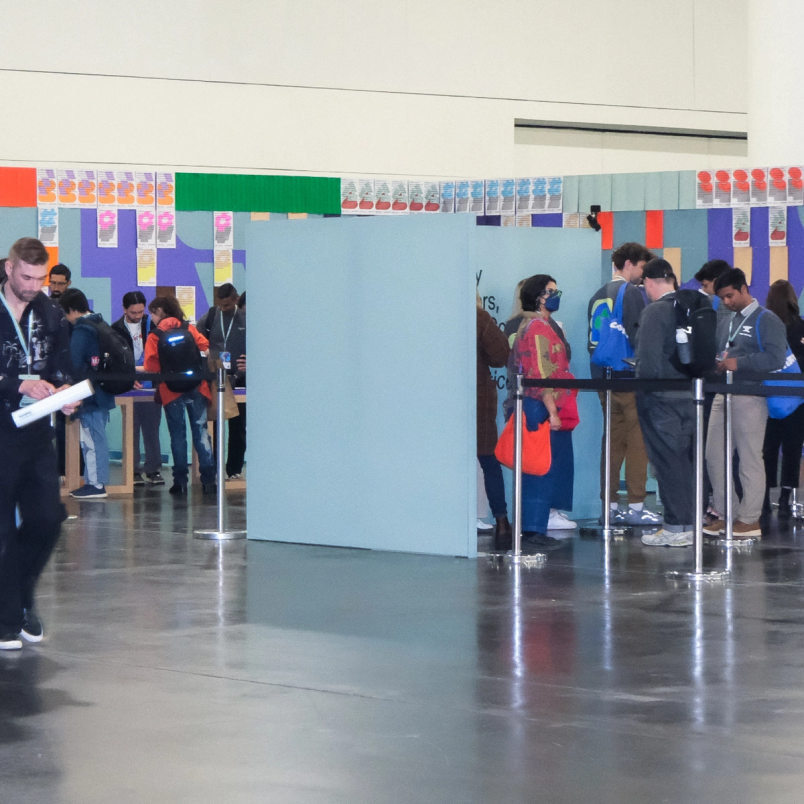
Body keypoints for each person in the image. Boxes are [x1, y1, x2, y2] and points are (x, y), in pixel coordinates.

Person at [0, 237, 79, 650]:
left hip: (35, 434)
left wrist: (67, 394)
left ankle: (19, 597)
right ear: (10, 268)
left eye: (40, 278)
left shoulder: (49, 311)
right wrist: (17, 384)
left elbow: (61, 366)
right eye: (26, 277)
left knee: (48, 519)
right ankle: (9, 615)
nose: (33, 286)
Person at [703, 268, 787, 539]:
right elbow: (725, 349)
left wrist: (739, 363)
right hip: (722, 391)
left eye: (729, 296)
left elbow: (775, 358)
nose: (726, 302)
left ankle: (750, 519)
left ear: (743, 289)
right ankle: (727, 513)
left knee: (749, 458)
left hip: (750, 395)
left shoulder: (767, 319)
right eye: (722, 299)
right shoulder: (728, 320)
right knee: (713, 456)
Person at [587, 242, 661, 526]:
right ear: (629, 263)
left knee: (612, 443)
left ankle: (610, 505)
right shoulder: (630, 292)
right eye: (642, 267)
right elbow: (636, 335)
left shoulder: (597, 295)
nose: (644, 274)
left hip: (602, 378)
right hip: (628, 377)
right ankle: (637, 506)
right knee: (637, 442)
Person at [634, 259, 705, 547]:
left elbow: (648, 361)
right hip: (691, 394)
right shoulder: (696, 306)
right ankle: (690, 523)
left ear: (650, 282)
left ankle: (675, 527)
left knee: (667, 462)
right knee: (687, 462)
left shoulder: (655, 312)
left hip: (660, 397)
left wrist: (643, 386)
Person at [505, 274, 578, 540]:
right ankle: (533, 531)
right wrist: (553, 411)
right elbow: (539, 373)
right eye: (551, 291)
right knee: (539, 471)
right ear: (538, 296)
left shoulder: (543, 325)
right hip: (538, 408)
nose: (556, 296)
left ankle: (536, 527)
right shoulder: (535, 327)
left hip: (543, 407)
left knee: (547, 468)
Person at [144, 295, 216, 495]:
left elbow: (150, 365)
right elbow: (206, 348)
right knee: (200, 433)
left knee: (178, 436)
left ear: (159, 311)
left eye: (152, 312)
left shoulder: (155, 335)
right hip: (197, 386)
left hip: (171, 390)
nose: (151, 316)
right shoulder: (189, 328)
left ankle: (180, 482)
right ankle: (209, 480)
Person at [59, 288, 116, 499]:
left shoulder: (83, 330)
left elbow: (73, 363)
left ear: (72, 310)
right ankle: (93, 480)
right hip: (103, 390)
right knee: (95, 437)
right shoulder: (100, 323)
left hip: (89, 394)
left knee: (92, 439)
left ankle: (97, 483)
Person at [112, 291, 164, 485]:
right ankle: (133, 470)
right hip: (129, 383)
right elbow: (115, 359)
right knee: (131, 428)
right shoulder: (115, 329)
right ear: (124, 309)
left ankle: (154, 469)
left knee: (152, 428)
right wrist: (128, 378)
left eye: (141, 311)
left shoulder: (153, 325)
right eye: (133, 312)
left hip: (151, 382)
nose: (137, 316)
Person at [762, 279, 804, 516]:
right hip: (797, 397)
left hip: (768, 395)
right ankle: (786, 500)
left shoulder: (767, 326)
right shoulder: (801, 326)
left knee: (768, 448)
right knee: (792, 448)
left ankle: (765, 498)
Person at [197, 283, 246, 479]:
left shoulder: (245, 318)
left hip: (240, 379)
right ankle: (214, 467)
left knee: (238, 427)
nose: (222, 308)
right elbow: (197, 337)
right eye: (220, 304)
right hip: (216, 379)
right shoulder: (211, 315)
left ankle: (234, 469)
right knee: (215, 425)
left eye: (226, 305)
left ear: (235, 300)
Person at [477, 295, 511, 550]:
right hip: (477, 396)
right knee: (489, 459)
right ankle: (501, 520)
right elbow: (500, 355)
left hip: (437, 397)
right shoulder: (478, 317)